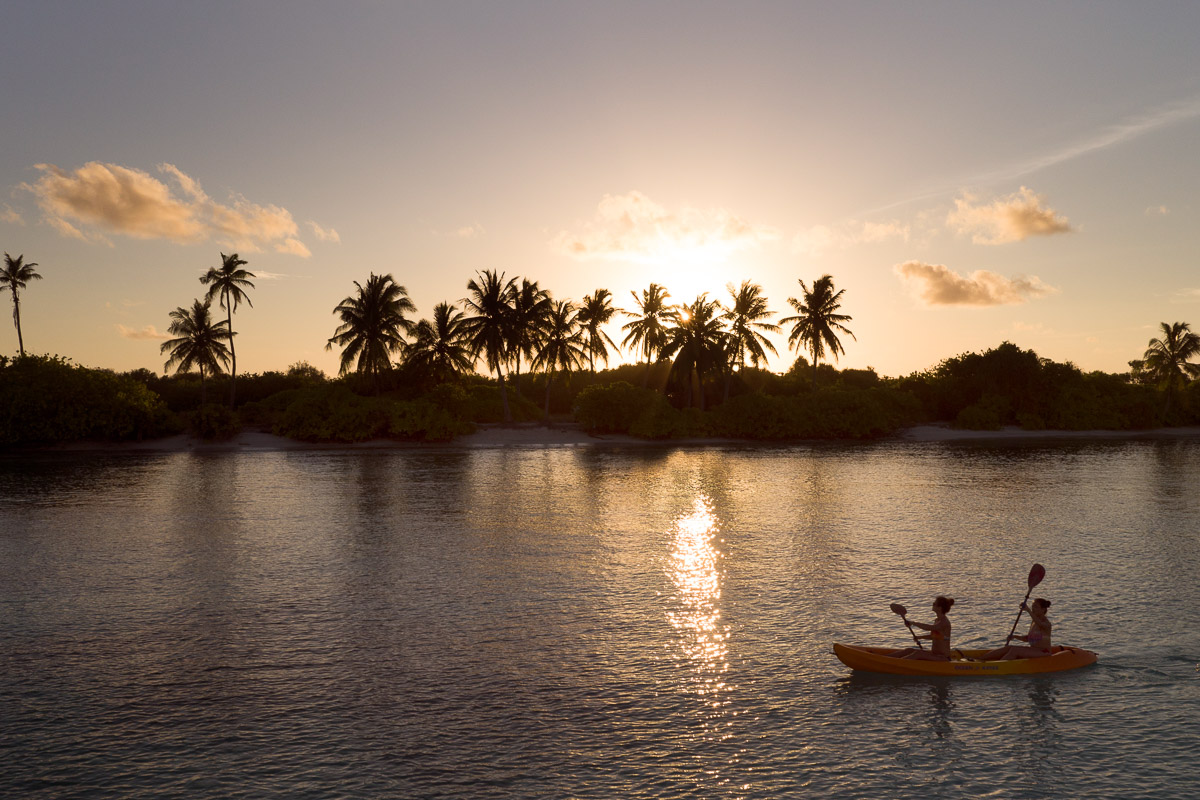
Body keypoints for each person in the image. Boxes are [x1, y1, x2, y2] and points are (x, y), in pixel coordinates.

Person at [982, 598, 1053, 660]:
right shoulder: (1034, 622)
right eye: (1032, 607)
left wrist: (1028, 610)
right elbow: (1028, 639)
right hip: (1033, 649)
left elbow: (1040, 624)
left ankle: (998, 666)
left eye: (1036, 607)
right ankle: (980, 659)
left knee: (1015, 650)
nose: (1033, 609)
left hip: (1044, 651)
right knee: (1009, 648)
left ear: (1043, 609)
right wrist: (1015, 637)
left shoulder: (1046, 624)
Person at [889, 596, 954, 661]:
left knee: (918, 653)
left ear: (939, 608)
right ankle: (885, 658)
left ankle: (896, 663)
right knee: (909, 650)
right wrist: (919, 637)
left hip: (943, 658)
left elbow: (929, 627)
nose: (932, 604)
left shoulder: (944, 622)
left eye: (934, 604)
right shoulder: (937, 620)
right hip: (934, 654)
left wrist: (913, 623)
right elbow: (934, 636)